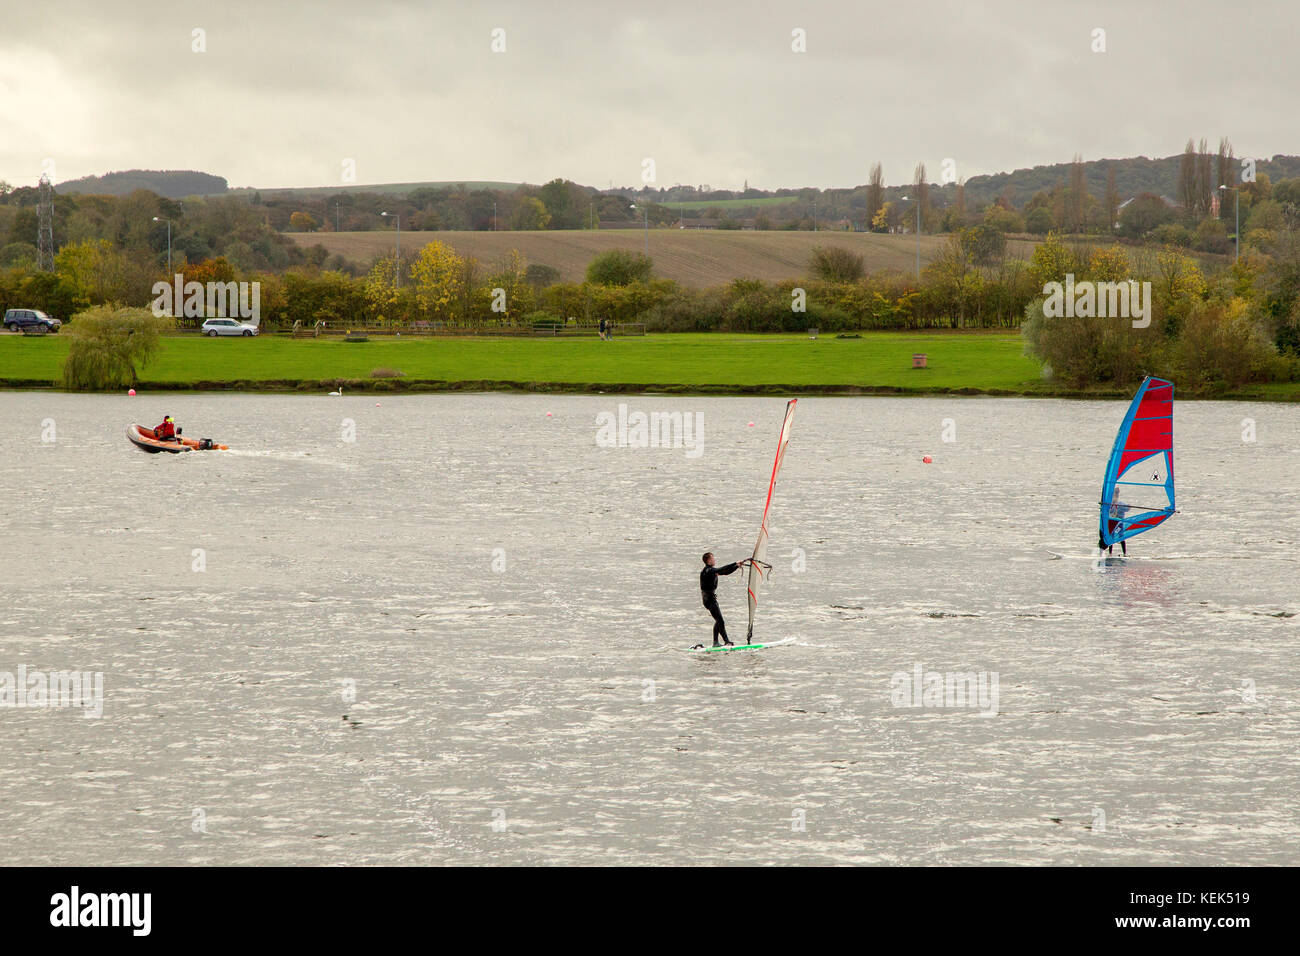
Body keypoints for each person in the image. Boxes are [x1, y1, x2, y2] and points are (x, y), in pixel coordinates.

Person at [699, 552, 748, 647]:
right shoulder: (708, 570)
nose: (714, 560)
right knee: (720, 620)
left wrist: (737, 566)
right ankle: (718, 642)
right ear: (708, 560)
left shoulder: (712, 571)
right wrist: (735, 563)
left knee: (719, 620)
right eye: (713, 558)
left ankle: (724, 641)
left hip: (709, 598)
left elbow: (725, 572)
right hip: (709, 599)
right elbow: (722, 569)